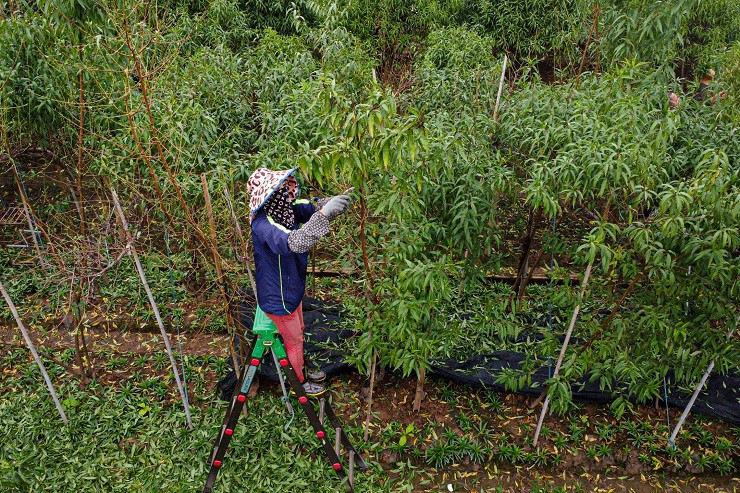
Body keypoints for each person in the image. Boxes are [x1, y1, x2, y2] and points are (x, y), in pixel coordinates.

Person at [246, 167, 351, 396]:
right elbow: (295, 242)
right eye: (282, 190)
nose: (288, 193)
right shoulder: (264, 225)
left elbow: (310, 206)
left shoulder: (286, 210)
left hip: (290, 286)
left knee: (300, 330)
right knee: (294, 343)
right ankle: (299, 384)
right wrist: (324, 216)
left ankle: (300, 367)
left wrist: (330, 203)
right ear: (269, 196)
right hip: (278, 296)